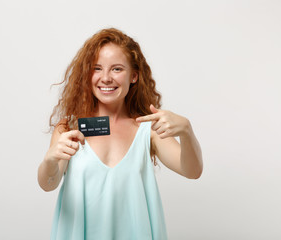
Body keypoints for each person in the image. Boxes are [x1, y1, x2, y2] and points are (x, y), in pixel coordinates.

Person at [38, 28, 203, 240]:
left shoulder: (147, 129)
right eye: (97, 68)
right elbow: (47, 184)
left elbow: (192, 171)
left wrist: (187, 131)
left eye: (117, 69)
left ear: (134, 75)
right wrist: (50, 159)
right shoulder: (69, 128)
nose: (106, 78)